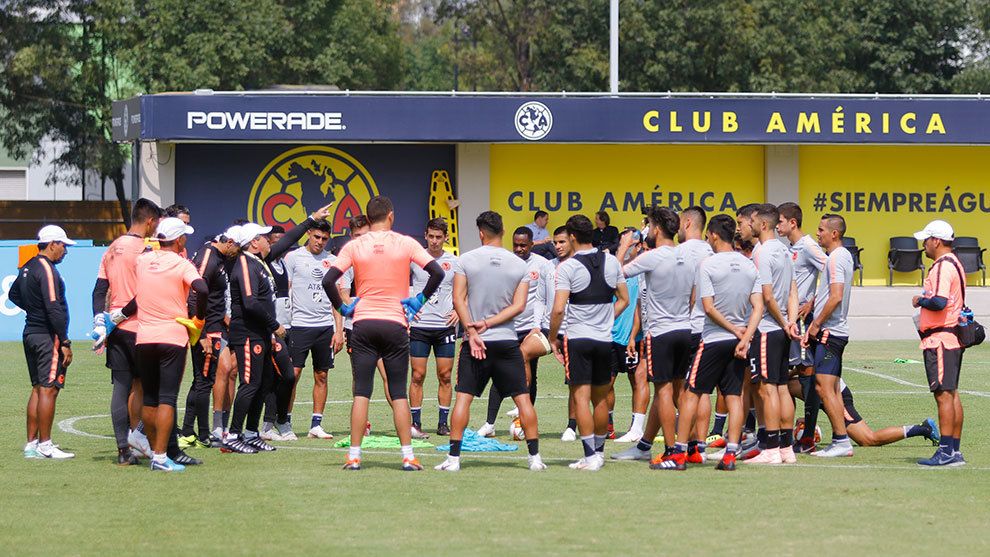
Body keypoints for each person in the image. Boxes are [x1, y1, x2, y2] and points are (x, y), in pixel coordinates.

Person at [321, 196, 445, 471]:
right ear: (391, 216)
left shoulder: (354, 245)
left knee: (362, 392)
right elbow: (437, 272)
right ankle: (408, 456)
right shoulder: (406, 243)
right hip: (395, 324)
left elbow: (328, 280)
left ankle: (354, 456)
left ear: (368, 218)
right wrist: (420, 300)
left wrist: (343, 307)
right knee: (398, 393)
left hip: (364, 323)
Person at [435, 211, 546, 472]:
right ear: (503, 231)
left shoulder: (466, 260)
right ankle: (535, 459)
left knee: (463, 399)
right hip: (507, 341)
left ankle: (453, 460)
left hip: (476, 343)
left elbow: (458, 300)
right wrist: (491, 323)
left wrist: (474, 331)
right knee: (523, 400)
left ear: (481, 233)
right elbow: (519, 306)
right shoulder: (520, 265)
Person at [224, 205, 331, 453]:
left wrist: (310, 220)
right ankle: (234, 435)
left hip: (263, 333)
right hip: (250, 333)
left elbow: (287, 241)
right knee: (250, 384)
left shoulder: (260, 260)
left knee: (270, 380)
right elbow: (250, 303)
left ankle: (251, 433)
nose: (269, 239)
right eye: (263, 237)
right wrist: (275, 327)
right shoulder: (245, 264)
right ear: (253, 243)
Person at [664, 214, 762, 472]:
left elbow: (707, 307)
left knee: (691, 393)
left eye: (709, 235)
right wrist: (745, 336)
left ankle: (680, 452)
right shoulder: (749, 265)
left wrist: (732, 328)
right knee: (733, 396)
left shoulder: (708, 265)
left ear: (715, 236)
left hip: (713, 339)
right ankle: (730, 454)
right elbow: (758, 306)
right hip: (737, 342)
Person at [611, 207, 695, 469]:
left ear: (657, 229)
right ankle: (685, 446)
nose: (645, 230)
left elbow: (614, 274)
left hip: (661, 333)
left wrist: (624, 247)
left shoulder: (653, 257)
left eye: (648, 226)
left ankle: (672, 452)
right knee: (681, 393)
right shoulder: (687, 257)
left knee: (664, 393)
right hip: (686, 329)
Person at [550, 214, 629, 471]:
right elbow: (624, 299)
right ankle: (599, 453)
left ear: (572, 237)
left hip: (579, 339)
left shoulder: (568, 267)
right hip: (604, 340)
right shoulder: (612, 262)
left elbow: (559, 309)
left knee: (581, 399)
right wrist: (606, 318)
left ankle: (589, 456)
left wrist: (552, 337)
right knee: (601, 399)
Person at [132, 217, 209, 471]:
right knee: (167, 398)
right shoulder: (181, 263)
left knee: (150, 398)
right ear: (179, 240)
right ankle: (161, 457)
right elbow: (202, 288)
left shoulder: (143, 261)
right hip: (172, 336)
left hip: (143, 337)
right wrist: (198, 319)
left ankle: (156, 452)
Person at [91, 198, 163, 465]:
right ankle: (145, 438)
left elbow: (99, 290)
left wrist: (101, 321)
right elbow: (145, 291)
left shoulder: (111, 248)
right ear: (150, 221)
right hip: (140, 326)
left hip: (117, 330)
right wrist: (124, 313)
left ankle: (124, 449)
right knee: (147, 387)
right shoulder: (145, 251)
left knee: (121, 388)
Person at [13, 225, 76, 460]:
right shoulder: (47, 270)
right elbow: (53, 306)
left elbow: (13, 295)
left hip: (30, 332)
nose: (65, 251)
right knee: (49, 389)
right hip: (47, 336)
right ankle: (45, 445)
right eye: (63, 246)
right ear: (52, 244)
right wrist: (65, 341)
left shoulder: (28, 266)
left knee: (39, 389)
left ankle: (32, 444)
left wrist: (34, 311)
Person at [479, 226, 548, 436]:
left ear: (531, 244)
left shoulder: (542, 265)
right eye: (516, 245)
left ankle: (523, 422)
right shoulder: (506, 263)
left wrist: (539, 325)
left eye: (523, 245)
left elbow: (544, 298)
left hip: (530, 328)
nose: (519, 249)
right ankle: (490, 424)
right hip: (507, 327)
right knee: (499, 373)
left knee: (530, 376)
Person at [745, 204, 800, 465]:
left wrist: (782, 321)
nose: (751, 224)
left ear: (763, 225)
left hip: (767, 329)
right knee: (781, 388)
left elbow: (766, 296)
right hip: (781, 329)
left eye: (753, 220)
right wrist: (790, 322)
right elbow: (792, 291)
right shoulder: (785, 250)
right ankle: (786, 448)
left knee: (767, 390)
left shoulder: (763, 252)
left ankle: (771, 448)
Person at [178, 226, 241, 449]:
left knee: (201, 381)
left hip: (211, 326)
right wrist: (201, 332)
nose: (238, 251)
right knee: (204, 382)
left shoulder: (217, 257)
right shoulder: (209, 257)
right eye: (238, 246)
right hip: (207, 328)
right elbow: (194, 293)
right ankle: (205, 435)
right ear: (230, 241)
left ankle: (188, 431)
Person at [281, 220, 345, 440]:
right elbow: (284, 290)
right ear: (308, 234)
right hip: (299, 325)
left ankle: (316, 425)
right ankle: (285, 422)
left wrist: (339, 330)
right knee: (293, 375)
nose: (319, 242)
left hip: (325, 327)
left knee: (322, 375)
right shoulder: (293, 258)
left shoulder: (333, 261)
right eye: (316, 237)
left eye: (324, 239)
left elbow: (336, 299)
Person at [912, 219, 967, 467]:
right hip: (950, 337)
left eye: (926, 240)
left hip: (941, 339)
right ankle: (953, 450)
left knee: (943, 396)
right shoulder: (954, 263)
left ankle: (946, 451)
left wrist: (919, 300)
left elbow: (939, 302)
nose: (924, 245)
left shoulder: (943, 266)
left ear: (936, 241)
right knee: (951, 394)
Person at [801, 214, 855, 458]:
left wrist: (816, 325)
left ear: (834, 234)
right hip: (834, 332)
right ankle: (839, 440)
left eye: (821, 230)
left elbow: (836, 296)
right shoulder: (839, 257)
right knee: (829, 388)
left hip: (830, 333)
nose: (818, 233)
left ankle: (841, 441)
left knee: (823, 388)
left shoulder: (836, 258)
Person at [776, 202, 827, 453]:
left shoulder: (808, 245)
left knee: (806, 371)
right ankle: (791, 433)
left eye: (781, 221)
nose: (777, 226)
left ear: (792, 223)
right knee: (785, 375)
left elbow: (831, 270)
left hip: (803, 320)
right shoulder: (790, 248)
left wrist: (812, 301)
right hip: (789, 320)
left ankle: (808, 437)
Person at [407, 218, 459, 438]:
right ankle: (416, 423)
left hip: (444, 326)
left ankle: (443, 423)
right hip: (419, 326)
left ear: (446, 237)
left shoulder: (455, 262)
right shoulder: (415, 259)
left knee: (445, 376)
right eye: (431, 236)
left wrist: (458, 310)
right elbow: (399, 284)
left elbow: (464, 290)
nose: (435, 241)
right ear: (425, 236)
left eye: (439, 237)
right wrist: (408, 308)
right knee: (417, 375)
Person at [789, 377, 939, 448]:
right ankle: (784, 439)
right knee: (780, 386)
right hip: (820, 392)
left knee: (868, 439)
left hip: (835, 394)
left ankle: (923, 429)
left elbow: (807, 368)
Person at [546, 226, 578, 441]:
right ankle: (516, 412)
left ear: (572, 241)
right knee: (521, 357)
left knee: (575, 382)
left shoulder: (580, 267)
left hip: (574, 332)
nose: (557, 246)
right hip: (550, 330)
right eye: (555, 242)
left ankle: (572, 426)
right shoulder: (548, 267)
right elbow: (543, 298)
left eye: (562, 242)